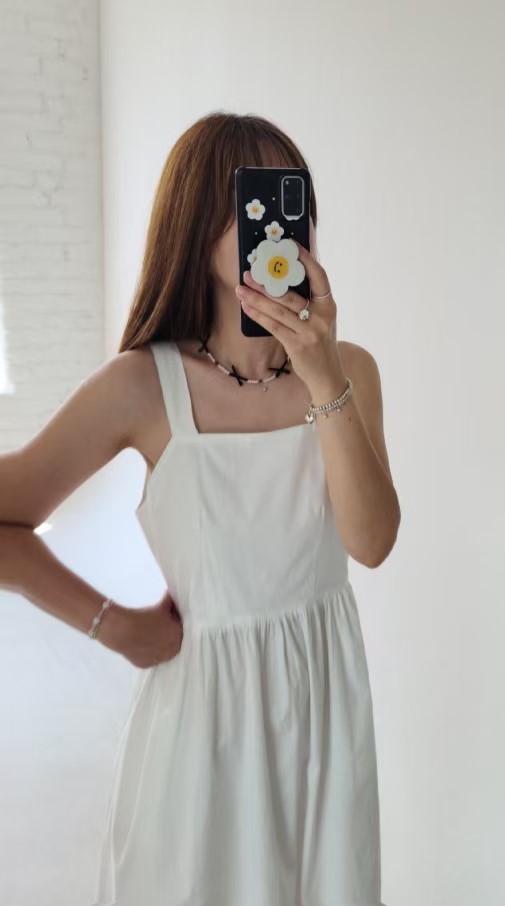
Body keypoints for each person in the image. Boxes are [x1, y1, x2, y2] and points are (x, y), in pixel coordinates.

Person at [0, 111, 400, 905]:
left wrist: (321, 376)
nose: (275, 223)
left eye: (288, 195)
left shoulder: (349, 369)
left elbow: (371, 542)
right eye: (249, 199)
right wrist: (112, 626)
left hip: (326, 720)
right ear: (193, 221)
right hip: (202, 730)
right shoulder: (139, 386)